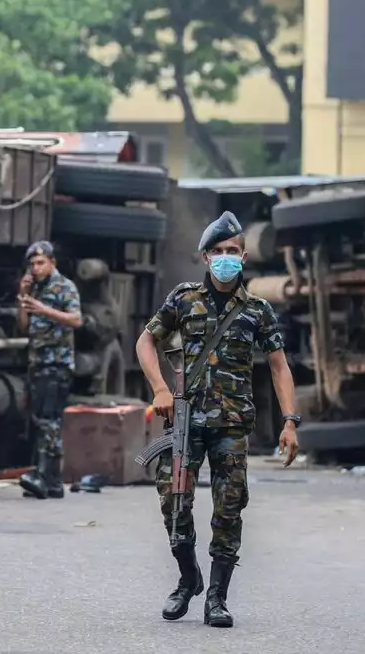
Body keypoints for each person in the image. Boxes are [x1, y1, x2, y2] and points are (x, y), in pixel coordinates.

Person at [134, 211, 300, 628]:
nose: (226, 258)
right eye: (218, 252)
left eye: (233, 251)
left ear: (243, 256)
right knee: (174, 502)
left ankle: (217, 598)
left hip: (231, 424)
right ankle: (188, 578)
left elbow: (279, 366)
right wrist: (158, 388)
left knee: (229, 509)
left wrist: (290, 421)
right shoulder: (183, 299)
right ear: (205, 257)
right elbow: (145, 342)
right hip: (186, 422)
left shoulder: (257, 310)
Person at [16, 240, 83, 499]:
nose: (36, 268)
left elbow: (76, 319)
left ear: (52, 263)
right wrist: (23, 298)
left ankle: (44, 476)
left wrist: (44, 309)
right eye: (32, 264)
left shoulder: (64, 287)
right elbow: (23, 325)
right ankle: (53, 481)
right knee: (42, 420)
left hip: (57, 362)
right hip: (38, 361)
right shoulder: (35, 289)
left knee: (49, 420)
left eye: (41, 263)